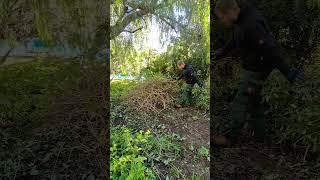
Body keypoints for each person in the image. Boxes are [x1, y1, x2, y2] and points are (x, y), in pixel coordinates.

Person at [212, 0, 305, 146]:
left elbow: (270, 49)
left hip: (257, 70)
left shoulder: (251, 24)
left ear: (229, 12)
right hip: (252, 66)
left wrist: (288, 72)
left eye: (222, 17)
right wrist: (221, 52)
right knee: (254, 102)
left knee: (240, 102)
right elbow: (235, 37)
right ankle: (262, 137)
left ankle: (230, 138)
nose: (222, 21)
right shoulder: (240, 20)